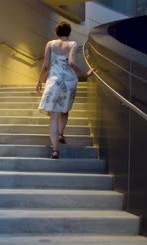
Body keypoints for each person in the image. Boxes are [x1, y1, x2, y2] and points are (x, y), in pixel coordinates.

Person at [36, 21, 95, 159]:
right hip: (69, 81)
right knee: (65, 109)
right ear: (69, 33)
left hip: (54, 81)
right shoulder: (72, 44)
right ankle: (61, 133)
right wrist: (85, 75)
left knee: (54, 116)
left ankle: (55, 150)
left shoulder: (50, 44)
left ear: (57, 32)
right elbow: (72, 63)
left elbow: (45, 66)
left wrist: (39, 81)